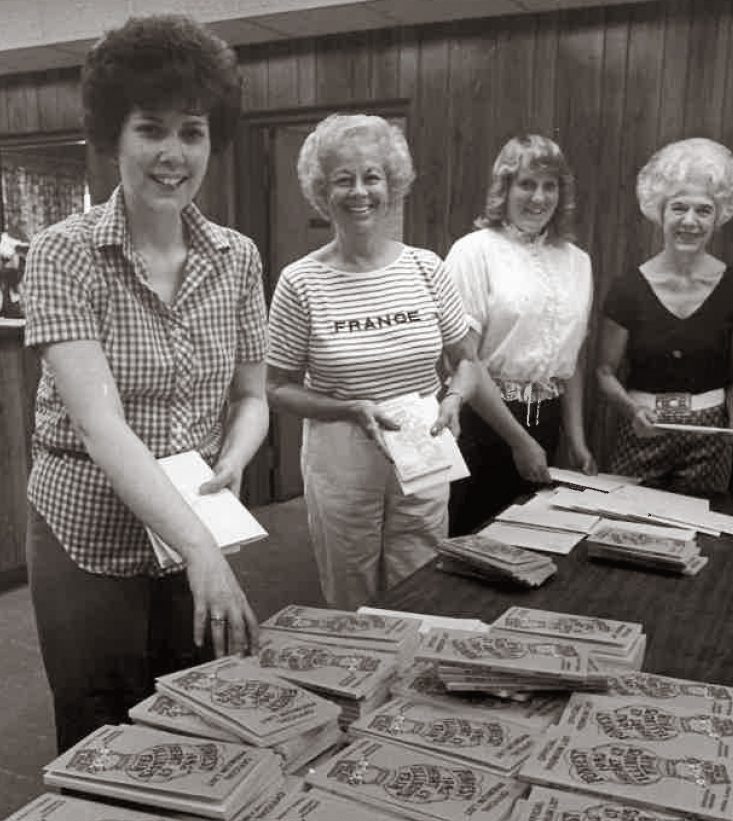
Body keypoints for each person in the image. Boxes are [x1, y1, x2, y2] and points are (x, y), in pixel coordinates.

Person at [24, 15, 269, 752]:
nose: (173, 153)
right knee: (100, 727)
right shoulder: (62, 254)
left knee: (190, 712)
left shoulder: (237, 258)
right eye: (150, 130)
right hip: (86, 524)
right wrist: (201, 549)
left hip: (192, 513)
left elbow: (253, 394)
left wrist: (233, 458)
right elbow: (103, 430)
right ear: (114, 136)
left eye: (191, 132)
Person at [266, 113, 484, 610]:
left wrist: (453, 399)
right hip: (342, 450)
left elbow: (466, 361)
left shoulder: (426, 268)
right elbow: (275, 387)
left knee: (422, 575)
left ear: (392, 184)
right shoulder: (301, 282)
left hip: (422, 441)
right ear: (323, 192)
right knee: (351, 588)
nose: (360, 191)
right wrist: (348, 409)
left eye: (372, 177)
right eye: (344, 179)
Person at [445, 134, 596, 536]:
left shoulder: (578, 262)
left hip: (547, 422)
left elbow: (573, 358)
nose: (539, 197)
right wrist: (519, 442)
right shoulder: (473, 252)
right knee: (475, 542)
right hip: (483, 423)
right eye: (526, 184)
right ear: (504, 189)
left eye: (550, 186)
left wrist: (577, 440)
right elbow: (465, 360)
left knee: (530, 545)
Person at [596, 137, 733, 494]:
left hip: (710, 437)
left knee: (699, 534)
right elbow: (604, 372)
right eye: (679, 208)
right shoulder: (628, 288)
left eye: (704, 210)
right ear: (660, 212)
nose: (690, 221)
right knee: (624, 533)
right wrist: (631, 411)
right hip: (641, 430)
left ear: (719, 217)